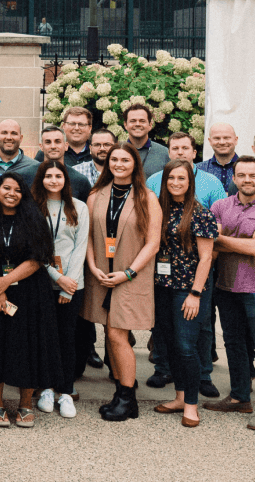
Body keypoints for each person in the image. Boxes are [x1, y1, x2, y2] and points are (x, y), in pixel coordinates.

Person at [202, 156, 255, 430]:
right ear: (234, 179)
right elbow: (210, 248)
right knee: (234, 344)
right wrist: (247, 243)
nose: (247, 180)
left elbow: (254, 250)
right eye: (242, 175)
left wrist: (220, 239)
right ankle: (239, 397)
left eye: (253, 175)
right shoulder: (220, 206)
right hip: (225, 287)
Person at [83, 143, 163, 422]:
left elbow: (153, 243)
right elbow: (89, 236)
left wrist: (128, 272)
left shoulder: (147, 196)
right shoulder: (96, 195)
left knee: (119, 335)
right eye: (114, 159)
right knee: (108, 331)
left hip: (130, 276)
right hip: (102, 275)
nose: (118, 164)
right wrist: (92, 266)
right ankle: (120, 392)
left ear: (134, 165)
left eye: (125, 160)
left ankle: (128, 397)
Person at [0, 173, 63, 430]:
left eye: (17, 189)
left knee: (28, 348)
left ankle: (25, 404)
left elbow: (38, 258)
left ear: (23, 194)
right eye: (6, 188)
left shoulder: (34, 218)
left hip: (29, 293)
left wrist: (6, 281)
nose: (11, 193)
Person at [149, 159, 219, 427]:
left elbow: (206, 258)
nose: (176, 183)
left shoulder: (200, 213)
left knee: (187, 347)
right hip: (162, 288)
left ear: (190, 182)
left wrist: (195, 294)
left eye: (182, 178)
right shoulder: (158, 210)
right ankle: (179, 397)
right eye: (171, 178)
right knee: (170, 345)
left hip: (187, 290)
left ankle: (191, 405)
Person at [33, 160, 89, 419]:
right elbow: (33, 249)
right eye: (48, 176)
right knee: (44, 337)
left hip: (72, 284)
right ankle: (45, 387)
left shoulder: (79, 207)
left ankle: (65, 391)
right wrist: (56, 276)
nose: (53, 180)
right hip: (41, 282)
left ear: (66, 179)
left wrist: (70, 285)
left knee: (67, 338)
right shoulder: (32, 206)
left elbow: (80, 248)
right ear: (41, 179)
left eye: (58, 176)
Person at [146, 133, 225, 209]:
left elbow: (222, 216)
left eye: (185, 148)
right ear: (169, 153)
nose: (180, 152)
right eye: (175, 148)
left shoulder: (212, 183)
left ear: (194, 153)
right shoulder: (153, 181)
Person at [35, 127, 94, 202]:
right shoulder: (26, 175)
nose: (53, 146)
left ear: (66, 146)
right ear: (41, 147)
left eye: (57, 142)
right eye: (48, 142)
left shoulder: (80, 180)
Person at [121, 104, 168, 178]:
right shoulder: (117, 152)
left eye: (142, 121)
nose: (137, 124)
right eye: (133, 121)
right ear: (125, 125)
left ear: (150, 125)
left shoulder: (164, 153)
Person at [197, 123, 240, 196]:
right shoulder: (199, 169)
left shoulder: (250, 168)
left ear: (236, 140)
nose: (222, 142)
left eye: (226, 138)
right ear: (210, 141)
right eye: (217, 138)